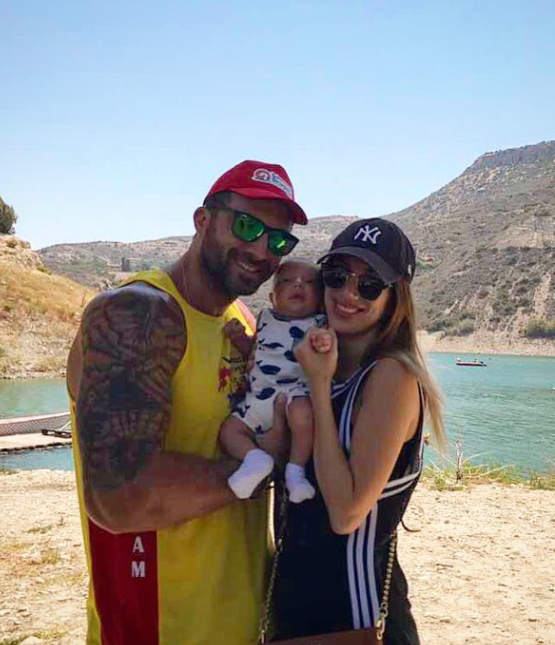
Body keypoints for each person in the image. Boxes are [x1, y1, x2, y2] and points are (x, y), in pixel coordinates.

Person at [66, 159, 308, 645]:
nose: (262, 250)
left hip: (243, 624)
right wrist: (263, 466)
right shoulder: (137, 312)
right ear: (203, 220)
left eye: (279, 241)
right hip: (156, 627)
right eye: (247, 226)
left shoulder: (243, 324)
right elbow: (119, 497)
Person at [273, 218, 445, 644]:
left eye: (370, 285)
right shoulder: (323, 370)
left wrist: (316, 386)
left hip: (354, 618)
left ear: (394, 298)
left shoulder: (391, 377)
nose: (349, 293)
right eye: (337, 275)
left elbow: (347, 513)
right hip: (295, 609)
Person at [220, 258, 326, 503]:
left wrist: (323, 344)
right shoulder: (265, 318)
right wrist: (239, 339)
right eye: (287, 281)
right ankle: (255, 459)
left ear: (320, 299)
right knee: (229, 430)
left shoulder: (319, 324)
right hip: (257, 399)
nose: (298, 285)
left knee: (304, 415)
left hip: (293, 395)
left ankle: (295, 471)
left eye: (309, 283)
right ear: (272, 297)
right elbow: (256, 352)